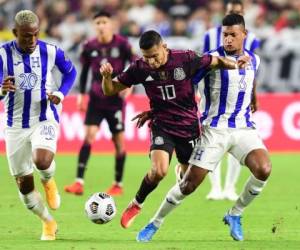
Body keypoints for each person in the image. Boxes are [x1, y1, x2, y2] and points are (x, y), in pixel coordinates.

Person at [136, 14, 271, 242]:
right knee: (188, 186)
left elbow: (251, 79)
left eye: (233, 35)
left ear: (244, 35)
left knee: (264, 169)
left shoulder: (254, 60)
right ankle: (154, 222)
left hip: (243, 129)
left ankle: (235, 214)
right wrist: (159, 109)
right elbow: (183, 85)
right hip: (213, 130)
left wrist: (254, 98)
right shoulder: (210, 59)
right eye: (225, 34)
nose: (228, 39)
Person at [99, 30, 249, 229]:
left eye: (154, 56)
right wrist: (107, 77)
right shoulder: (139, 68)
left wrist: (235, 64)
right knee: (158, 171)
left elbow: (215, 61)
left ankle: (181, 169)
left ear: (164, 47)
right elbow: (110, 90)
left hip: (188, 127)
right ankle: (137, 203)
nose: (151, 62)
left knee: (189, 184)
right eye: (147, 57)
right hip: (162, 124)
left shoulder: (185, 59)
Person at [0, 10, 76, 240]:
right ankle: (48, 222)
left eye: (35, 35)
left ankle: (48, 179)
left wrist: (61, 94)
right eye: (25, 36)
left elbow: (70, 73)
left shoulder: (50, 51)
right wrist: (1, 90)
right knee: (24, 186)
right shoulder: (2, 55)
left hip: (44, 116)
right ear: (14, 33)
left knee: (42, 160)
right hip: (15, 125)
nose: (31, 40)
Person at [64, 11, 135, 196]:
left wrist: (130, 84)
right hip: (96, 98)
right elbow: (85, 71)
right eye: (98, 22)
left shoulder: (123, 44)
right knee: (88, 137)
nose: (101, 25)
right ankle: (78, 182)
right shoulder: (89, 46)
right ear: (94, 26)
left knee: (118, 141)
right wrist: (81, 95)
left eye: (104, 22)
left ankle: (118, 184)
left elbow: (134, 63)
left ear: (111, 24)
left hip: (115, 99)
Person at [202, 0, 261, 201]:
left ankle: (229, 187)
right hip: (215, 94)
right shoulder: (210, 36)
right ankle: (216, 187)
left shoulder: (252, 40)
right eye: (230, 11)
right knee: (215, 147)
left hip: (239, 98)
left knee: (239, 146)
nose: (228, 38)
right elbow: (201, 63)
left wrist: (253, 95)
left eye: (238, 11)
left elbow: (252, 68)